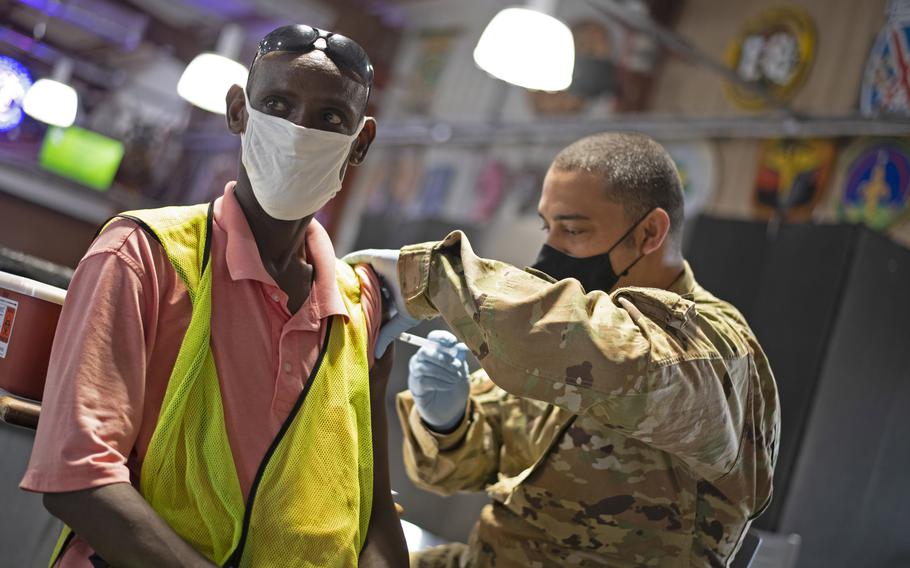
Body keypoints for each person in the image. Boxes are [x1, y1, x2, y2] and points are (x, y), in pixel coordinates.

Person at [22, 24, 407, 567]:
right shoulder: (142, 255)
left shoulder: (361, 305)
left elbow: (371, 512)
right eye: (277, 104)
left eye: (330, 119)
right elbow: (77, 475)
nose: (299, 132)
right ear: (238, 112)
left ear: (360, 143)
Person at [345, 133, 780, 567]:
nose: (549, 251)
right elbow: (451, 471)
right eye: (546, 226)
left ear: (649, 232)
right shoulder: (563, 334)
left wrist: (433, 277)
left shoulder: (715, 348)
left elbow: (618, 362)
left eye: (572, 229)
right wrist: (447, 420)